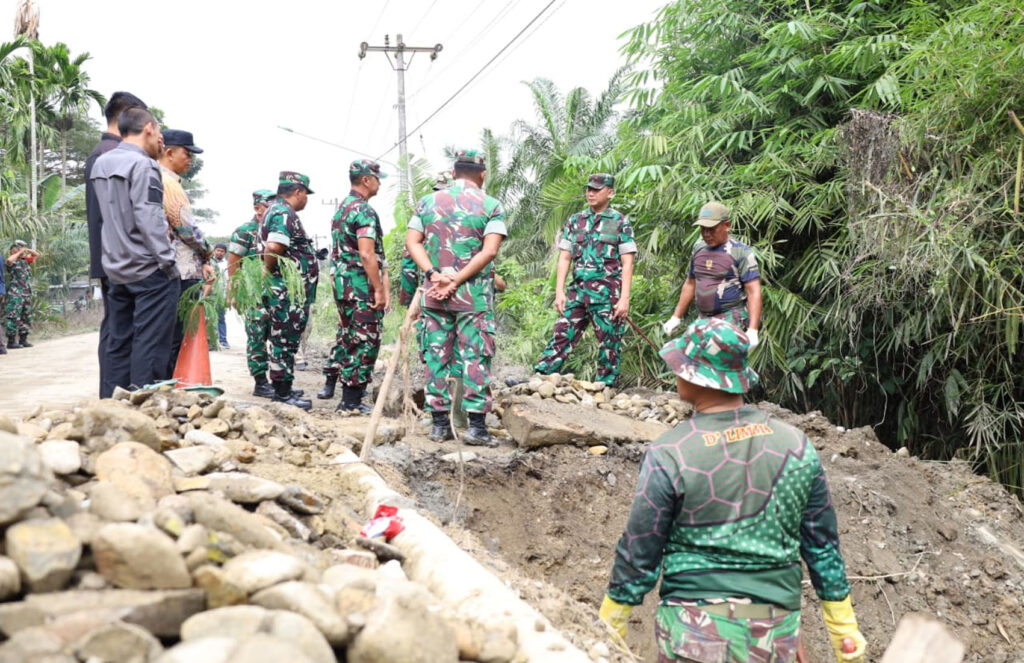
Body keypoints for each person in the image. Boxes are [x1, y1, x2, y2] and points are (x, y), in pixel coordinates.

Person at [599, 317, 867, 663]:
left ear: (693, 376)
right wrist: (844, 632)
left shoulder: (671, 453)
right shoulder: (797, 447)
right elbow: (823, 548)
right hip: (774, 633)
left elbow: (639, 551)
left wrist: (609, 627)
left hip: (693, 634)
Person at [405, 149, 506, 446]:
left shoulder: (427, 202)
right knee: (475, 358)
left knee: (436, 357)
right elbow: (489, 251)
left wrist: (434, 274)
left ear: (452, 173)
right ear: (482, 175)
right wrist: (457, 280)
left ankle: (439, 426)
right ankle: (476, 428)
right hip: (472, 298)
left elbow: (413, 241)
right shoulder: (491, 205)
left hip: (435, 295)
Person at [89, 107, 180, 391]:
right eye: (160, 134)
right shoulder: (143, 165)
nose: (161, 143)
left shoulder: (101, 163)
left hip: (115, 268)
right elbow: (149, 216)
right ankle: (145, 405)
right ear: (148, 128)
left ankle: (113, 407)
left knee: (119, 341)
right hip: (147, 268)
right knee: (150, 342)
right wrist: (168, 262)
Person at [533, 173, 636, 386]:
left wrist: (624, 298)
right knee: (561, 333)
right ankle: (540, 378)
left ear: (610, 192)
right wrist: (559, 292)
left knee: (609, 342)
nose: (591, 193)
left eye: (597, 189)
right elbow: (564, 257)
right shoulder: (575, 220)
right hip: (577, 292)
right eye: (589, 188)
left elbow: (628, 262)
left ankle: (605, 388)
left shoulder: (620, 222)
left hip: (607, 295)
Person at [85, 91, 148, 397]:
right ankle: (112, 395)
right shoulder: (107, 155)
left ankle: (113, 395)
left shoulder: (105, 153)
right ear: (129, 117)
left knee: (118, 330)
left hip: (112, 257)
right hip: (119, 258)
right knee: (119, 333)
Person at [318, 159, 390, 413]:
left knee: (350, 338)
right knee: (364, 341)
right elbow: (367, 254)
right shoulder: (364, 211)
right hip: (360, 287)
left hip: (343, 286)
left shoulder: (343, 209)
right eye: (378, 178)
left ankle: (351, 398)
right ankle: (351, 401)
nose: (380, 183)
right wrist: (379, 288)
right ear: (366, 180)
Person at [662, 202, 762, 347]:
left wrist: (753, 330)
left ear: (727, 225)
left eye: (712, 229)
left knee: (720, 365)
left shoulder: (741, 252)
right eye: (703, 229)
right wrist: (676, 317)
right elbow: (690, 283)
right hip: (704, 320)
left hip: (731, 319)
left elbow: (753, 291)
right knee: (690, 360)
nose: (707, 234)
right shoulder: (698, 248)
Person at [260, 171, 319, 410]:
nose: (306, 199)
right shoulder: (283, 213)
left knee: (283, 340)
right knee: (284, 341)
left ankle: (284, 385)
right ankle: (282, 395)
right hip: (286, 291)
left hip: (287, 291)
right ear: (298, 192)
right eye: (306, 194)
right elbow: (274, 246)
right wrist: (269, 274)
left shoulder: (273, 210)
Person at [159, 129, 213, 374]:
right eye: (187, 153)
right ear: (169, 152)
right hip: (180, 271)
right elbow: (186, 227)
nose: (190, 159)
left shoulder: (156, 178)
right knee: (175, 336)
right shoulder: (168, 183)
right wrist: (207, 251)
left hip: (168, 269)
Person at [228, 189, 274, 397]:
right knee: (257, 336)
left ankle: (280, 380)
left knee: (279, 337)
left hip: (276, 293)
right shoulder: (245, 231)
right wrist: (234, 291)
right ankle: (260, 381)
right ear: (257, 208)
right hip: (254, 294)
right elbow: (233, 264)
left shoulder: (276, 230)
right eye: (269, 206)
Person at [4, 240, 39, 349]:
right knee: (13, 317)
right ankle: (11, 341)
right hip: (15, 294)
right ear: (12, 251)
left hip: (26, 293)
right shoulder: (12, 262)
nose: (19, 250)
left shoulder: (25, 261)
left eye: (19, 248)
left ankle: (23, 340)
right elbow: (9, 260)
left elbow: (37, 255)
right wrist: (19, 253)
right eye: (16, 248)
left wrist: (26, 249)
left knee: (26, 316)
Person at [211, 242, 229, 349]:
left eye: (222, 251)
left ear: (225, 253)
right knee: (209, 318)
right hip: (209, 294)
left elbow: (227, 280)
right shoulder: (209, 262)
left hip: (220, 294)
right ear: (214, 251)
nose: (219, 252)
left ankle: (223, 340)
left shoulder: (226, 264)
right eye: (218, 250)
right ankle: (211, 341)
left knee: (220, 318)